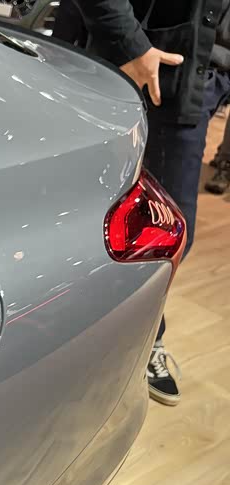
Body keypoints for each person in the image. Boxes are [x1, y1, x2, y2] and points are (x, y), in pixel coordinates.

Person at [57, 0, 230, 406]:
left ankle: (136, 335)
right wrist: (130, 44)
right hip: (145, 67)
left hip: (202, 77)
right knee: (103, 223)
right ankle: (91, 339)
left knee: (166, 233)